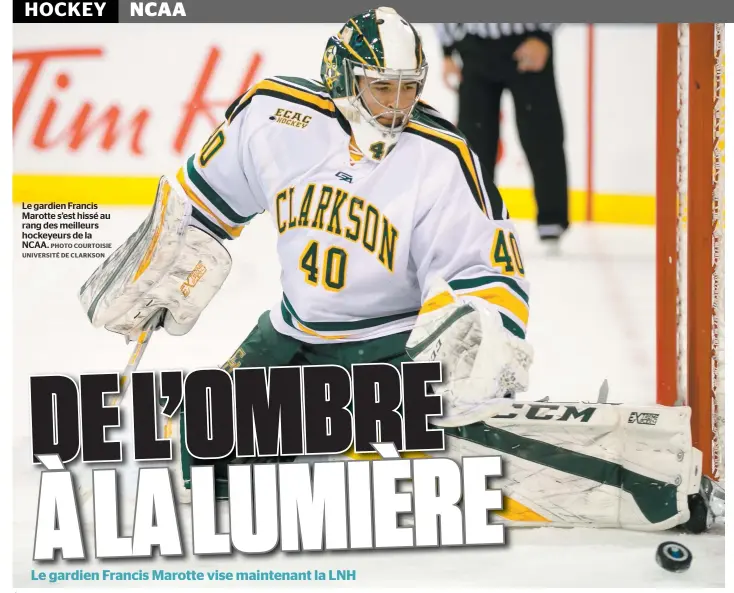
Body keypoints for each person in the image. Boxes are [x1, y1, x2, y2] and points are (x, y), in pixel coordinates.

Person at [79, 8, 717, 533]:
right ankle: (347, 435)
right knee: (202, 452)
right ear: (341, 76)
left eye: (410, 86)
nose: (398, 103)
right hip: (291, 330)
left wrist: (479, 327)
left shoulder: (442, 157)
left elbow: (485, 268)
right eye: (382, 86)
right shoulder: (274, 116)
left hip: (389, 341)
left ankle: (643, 475)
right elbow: (200, 205)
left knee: (433, 454)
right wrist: (162, 266)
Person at [437, 23, 570, 252]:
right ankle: (475, 225)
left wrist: (543, 36)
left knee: (542, 136)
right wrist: (447, 50)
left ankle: (551, 221)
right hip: (474, 44)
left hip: (528, 40)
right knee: (474, 146)